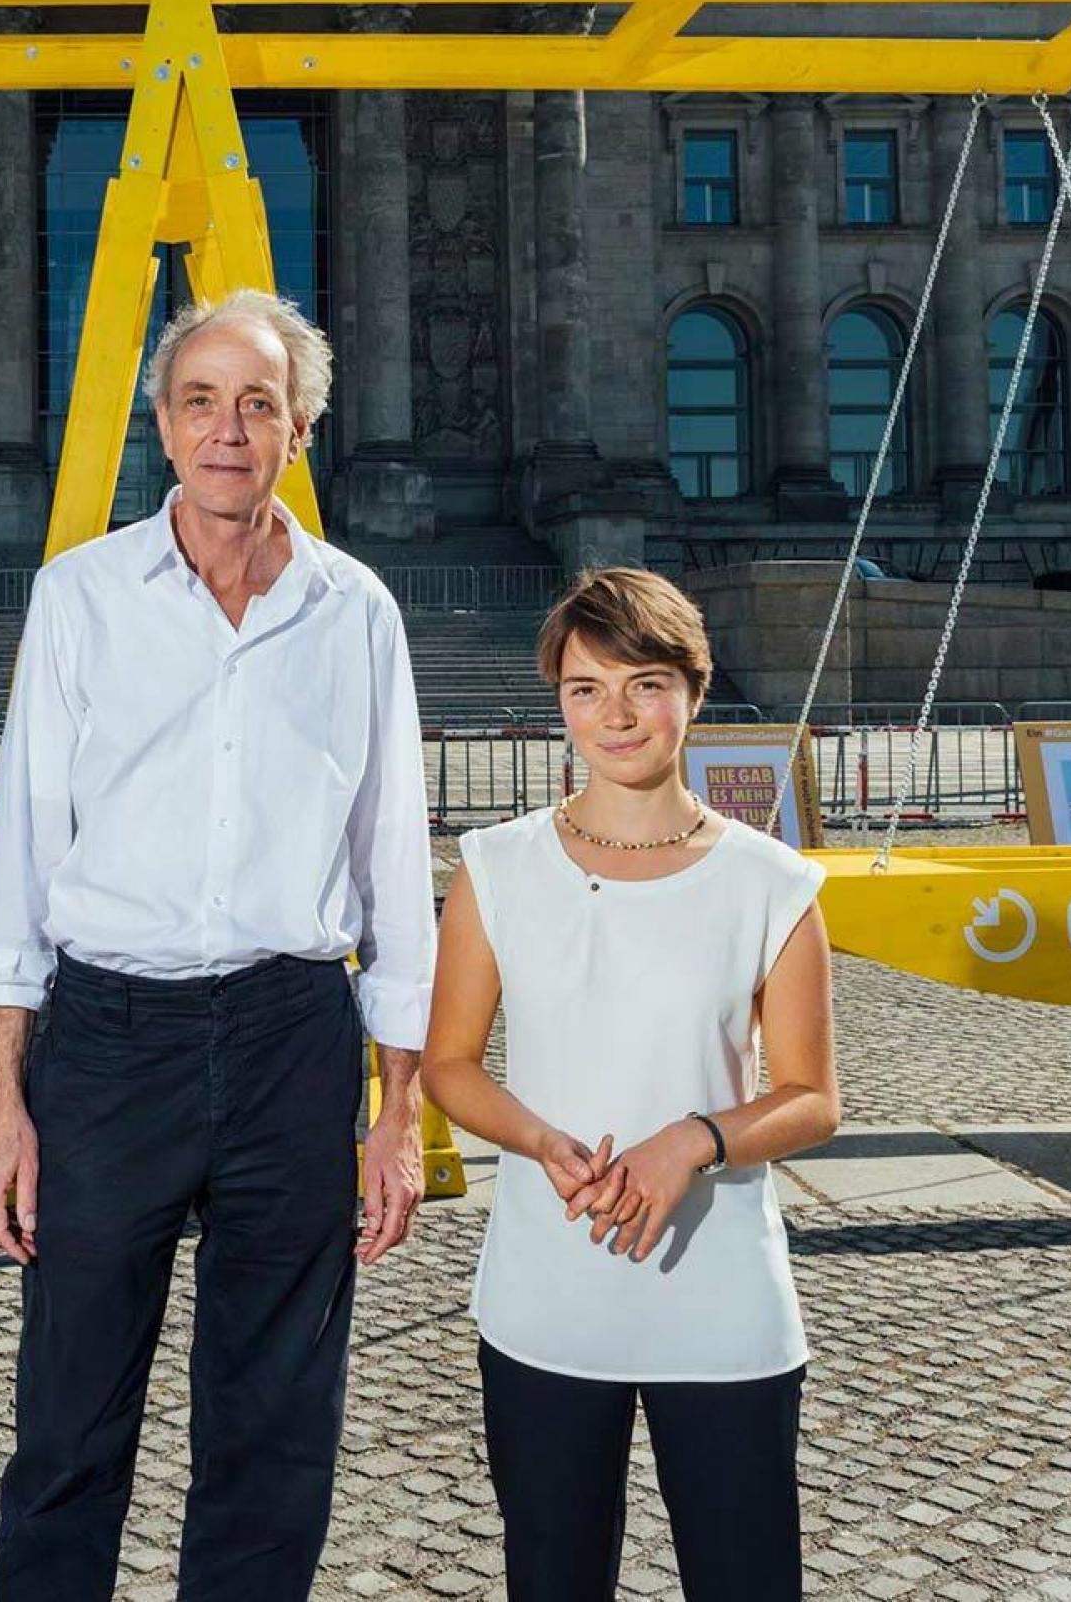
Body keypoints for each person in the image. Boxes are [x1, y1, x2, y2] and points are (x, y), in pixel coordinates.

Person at [0, 288, 437, 1601]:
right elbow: (24, 854)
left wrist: (400, 1113)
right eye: (200, 402)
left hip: (292, 1036)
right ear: (163, 427)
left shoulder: (356, 611)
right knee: (68, 1420)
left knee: (275, 1427)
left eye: (258, 405)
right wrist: (5, 1100)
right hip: (110, 1043)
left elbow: (393, 865)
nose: (228, 430)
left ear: (300, 431)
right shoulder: (79, 598)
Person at [421, 567, 840, 1602]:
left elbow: (810, 1096)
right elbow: (449, 1064)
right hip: (546, 1291)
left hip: (723, 1298)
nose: (615, 716)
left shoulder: (771, 882)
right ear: (559, 702)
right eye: (585, 689)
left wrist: (692, 1139)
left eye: (644, 685)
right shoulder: (496, 865)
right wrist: (537, 1141)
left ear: (693, 689)